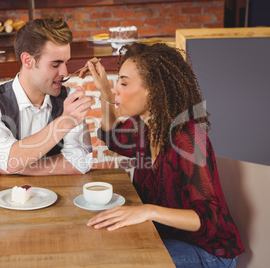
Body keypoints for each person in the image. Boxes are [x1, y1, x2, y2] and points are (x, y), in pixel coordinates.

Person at [82, 43, 245, 267]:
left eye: (124, 82)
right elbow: (113, 139)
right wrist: (104, 92)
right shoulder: (146, 128)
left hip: (208, 252)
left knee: (121, 260)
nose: (116, 89)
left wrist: (148, 211)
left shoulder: (188, 139)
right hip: (168, 238)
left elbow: (209, 219)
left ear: (155, 90)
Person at [0, 18, 93, 176]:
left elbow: (80, 163)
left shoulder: (69, 98)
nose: (64, 73)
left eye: (66, 63)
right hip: (4, 196)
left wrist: (19, 168)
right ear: (27, 61)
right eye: (55, 65)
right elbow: (9, 159)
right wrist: (64, 122)